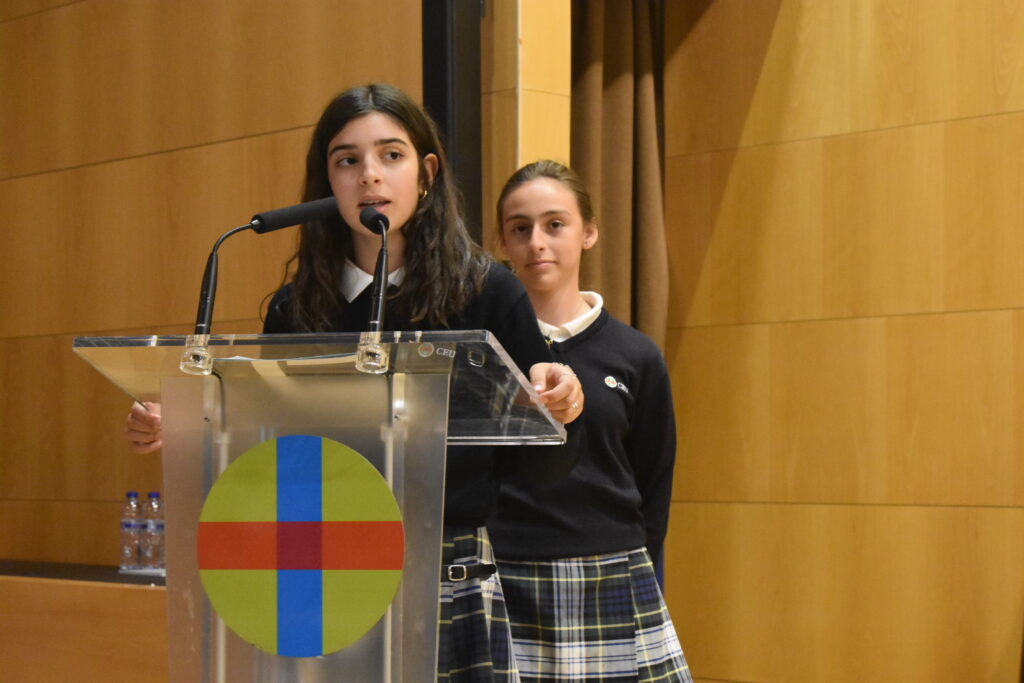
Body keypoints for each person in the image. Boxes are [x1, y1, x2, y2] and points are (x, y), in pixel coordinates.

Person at [124, 84, 584, 682]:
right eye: (347, 161)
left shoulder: (487, 292)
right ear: (327, 184)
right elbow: (266, 457)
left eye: (390, 156)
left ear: (426, 174)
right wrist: (188, 424)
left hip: (448, 578)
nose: (370, 176)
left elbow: (546, 467)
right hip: (318, 576)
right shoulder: (294, 310)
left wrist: (560, 409)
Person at [487, 160, 692, 681]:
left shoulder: (637, 355)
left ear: (589, 233)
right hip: (502, 575)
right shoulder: (481, 350)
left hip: (608, 574)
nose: (537, 241)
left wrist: (642, 575)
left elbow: (653, 483)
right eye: (520, 228)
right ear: (502, 243)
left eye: (555, 224)